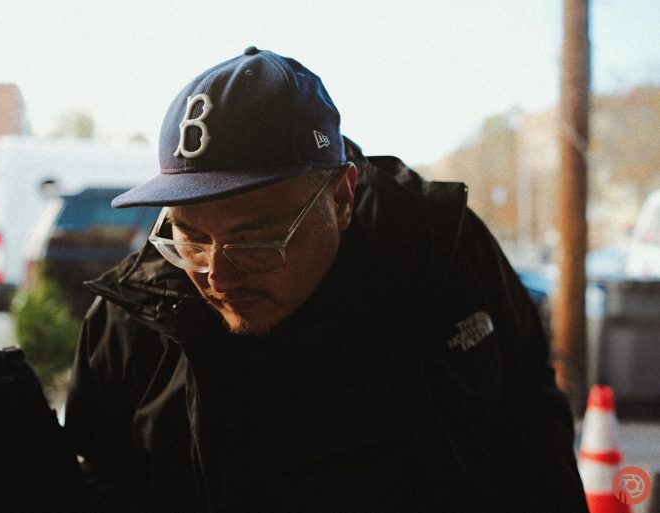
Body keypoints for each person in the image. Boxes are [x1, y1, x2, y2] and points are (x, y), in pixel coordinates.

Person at [64, 46, 588, 513]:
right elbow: (102, 483)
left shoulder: (438, 254)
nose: (217, 274)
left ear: (340, 199)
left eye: (256, 239)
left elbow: (528, 426)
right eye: (190, 237)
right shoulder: (133, 322)